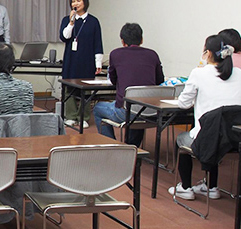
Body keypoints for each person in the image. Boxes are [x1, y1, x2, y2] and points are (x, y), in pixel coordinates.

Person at [168, 34, 241, 200]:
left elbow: (183, 104)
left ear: (208, 53)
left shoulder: (199, 73)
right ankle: (211, 186)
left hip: (209, 139)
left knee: (181, 139)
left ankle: (185, 187)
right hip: (235, 140)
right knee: (216, 132)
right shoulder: (239, 74)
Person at [93, 23, 165, 147]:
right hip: (151, 110)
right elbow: (160, 80)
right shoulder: (152, 54)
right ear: (141, 39)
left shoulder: (116, 54)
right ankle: (132, 147)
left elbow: (113, 80)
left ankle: (113, 146)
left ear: (122, 41)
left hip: (126, 111)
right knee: (138, 108)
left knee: (98, 108)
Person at [60, 0, 103, 128]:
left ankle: (83, 117)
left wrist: (98, 62)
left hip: (87, 60)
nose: (75, 3)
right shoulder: (67, 20)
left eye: (78, 0)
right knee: (69, 88)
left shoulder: (93, 21)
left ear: (85, 2)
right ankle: (70, 116)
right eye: (73, 1)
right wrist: (71, 22)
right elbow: (64, 37)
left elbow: (98, 43)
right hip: (71, 59)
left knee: (86, 89)